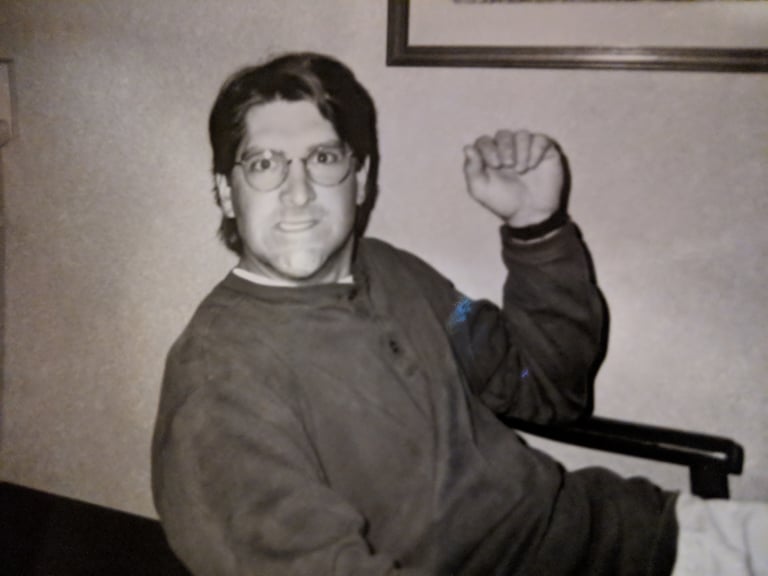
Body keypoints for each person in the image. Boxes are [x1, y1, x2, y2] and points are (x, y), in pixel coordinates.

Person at [151, 52, 767, 576]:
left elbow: (545, 389)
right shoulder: (218, 381)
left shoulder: (394, 272)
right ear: (225, 192)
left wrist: (536, 227)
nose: (298, 191)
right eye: (264, 164)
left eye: (323, 158)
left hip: (638, 534)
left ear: (360, 180)